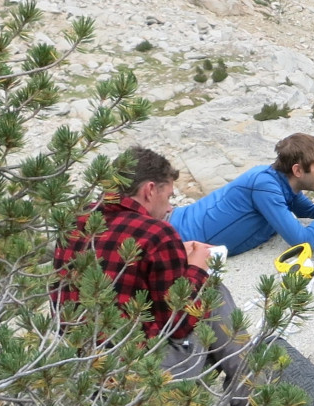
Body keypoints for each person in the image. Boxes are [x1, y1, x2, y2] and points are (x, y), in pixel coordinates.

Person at [54, 146, 245, 387]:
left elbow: (119, 271)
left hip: (78, 360)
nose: (169, 208)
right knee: (211, 290)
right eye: (169, 197)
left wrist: (176, 255)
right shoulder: (157, 233)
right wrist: (197, 269)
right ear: (150, 190)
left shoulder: (75, 220)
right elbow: (178, 325)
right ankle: (252, 390)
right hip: (136, 368)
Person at [170, 132, 314, 253]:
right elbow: (304, 243)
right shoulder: (265, 186)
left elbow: (311, 214)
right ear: (298, 170)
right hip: (174, 236)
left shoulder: (284, 183)